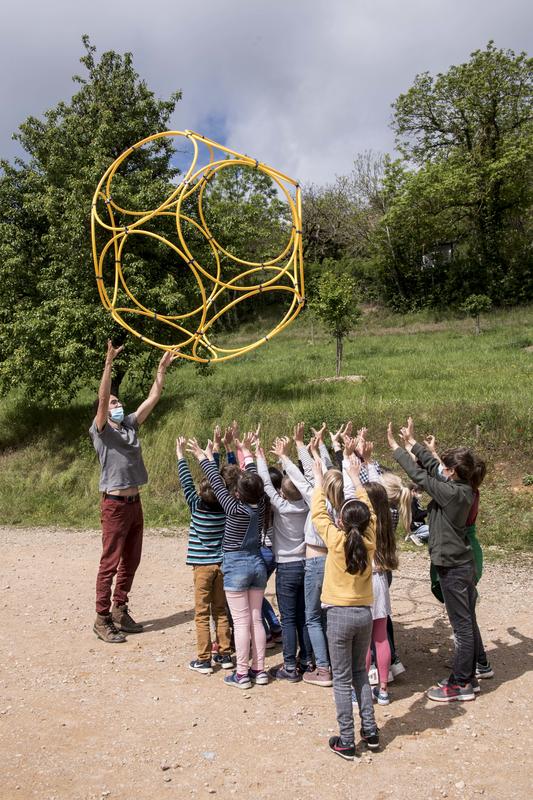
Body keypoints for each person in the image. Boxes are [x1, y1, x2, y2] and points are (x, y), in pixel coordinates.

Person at [389, 417, 480, 702]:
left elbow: (423, 478)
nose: (443, 470)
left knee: (462, 628)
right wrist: (413, 443)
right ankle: (467, 678)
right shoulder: (461, 487)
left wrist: (396, 448)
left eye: (446, 468)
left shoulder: (453, 493)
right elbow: (434, 469)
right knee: (464, 624)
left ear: (453, 472)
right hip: (459, 564)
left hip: (453, 568)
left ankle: (462, 683)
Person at [90, 340, 175, 643]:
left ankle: (119, 610)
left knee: (132, 560)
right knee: (110, 562)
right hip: (113, 503)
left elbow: (152, 398)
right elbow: (101, 401)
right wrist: (108, 363)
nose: (116, 405)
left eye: (117, 403)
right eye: (113, 403)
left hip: (134, 502)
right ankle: (101, 619)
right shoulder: (101, 430)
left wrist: (161, 371)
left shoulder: (128, 426)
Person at [311, 452, 379, 761]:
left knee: (342, 679)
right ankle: (371, 731)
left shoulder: (336, 541)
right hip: (364, 614)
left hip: (338, 615)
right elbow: (372, 512)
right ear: (367, 523)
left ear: (340, 520)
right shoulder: (370, 540)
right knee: (360, 674)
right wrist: (355, 477)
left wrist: (320, 481)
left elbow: (317, 514)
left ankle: (348, 740)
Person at [188, 432, 268, 690]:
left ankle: (242, 674)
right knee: (256, 620)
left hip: (236, 566)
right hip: (257, 564)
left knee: (242, 622)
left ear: (238, 493)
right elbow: (256, 480)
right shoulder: (262, 505)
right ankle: (260, 669)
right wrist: (247, 453)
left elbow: (216, 481)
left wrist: (203, 457)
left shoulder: (233, 508)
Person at [176, 436, 233, 674]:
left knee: (201, 614)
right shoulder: (225, 507)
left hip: (201, 567)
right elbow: (217, 483)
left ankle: (203, 658)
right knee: (220, 610)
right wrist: (213, 454)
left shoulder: (196, 506)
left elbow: (186, 482)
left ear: (199, 493)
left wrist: (180, 455)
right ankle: (225, 654)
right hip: (221, 565)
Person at [256, 440, 312, 683]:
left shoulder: (279, 506)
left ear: (282, 494)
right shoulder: (309, 504)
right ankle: (306, 660)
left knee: (288, 618)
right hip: (306, 564)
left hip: (287, 567)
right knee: (304, 616)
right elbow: (305, 482)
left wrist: (259, 455)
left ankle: (289, 665)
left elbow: (266, 483)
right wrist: (286, 458)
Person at [364, 482, 399, 705]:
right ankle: (383, 688)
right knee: (380, 637)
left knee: (364, 642)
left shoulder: (363, 523)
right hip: (381, 579)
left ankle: (362, 688)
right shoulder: (388, 519)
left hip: (365, 580)